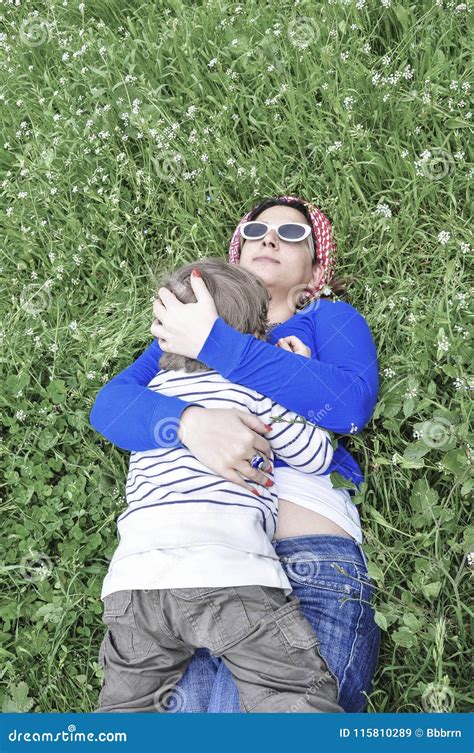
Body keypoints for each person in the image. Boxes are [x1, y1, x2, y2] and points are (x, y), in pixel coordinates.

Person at [89, 195, 380, 713]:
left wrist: (219, 345)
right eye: (257, 231)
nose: (270, 239)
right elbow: (111, 408)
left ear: (315, 269)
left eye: (293, 235)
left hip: (301, 553)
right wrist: (189, 423)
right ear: (234, 256)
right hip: (181, 565)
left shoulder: (325, 319)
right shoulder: (179, 339)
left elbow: (348, 405)